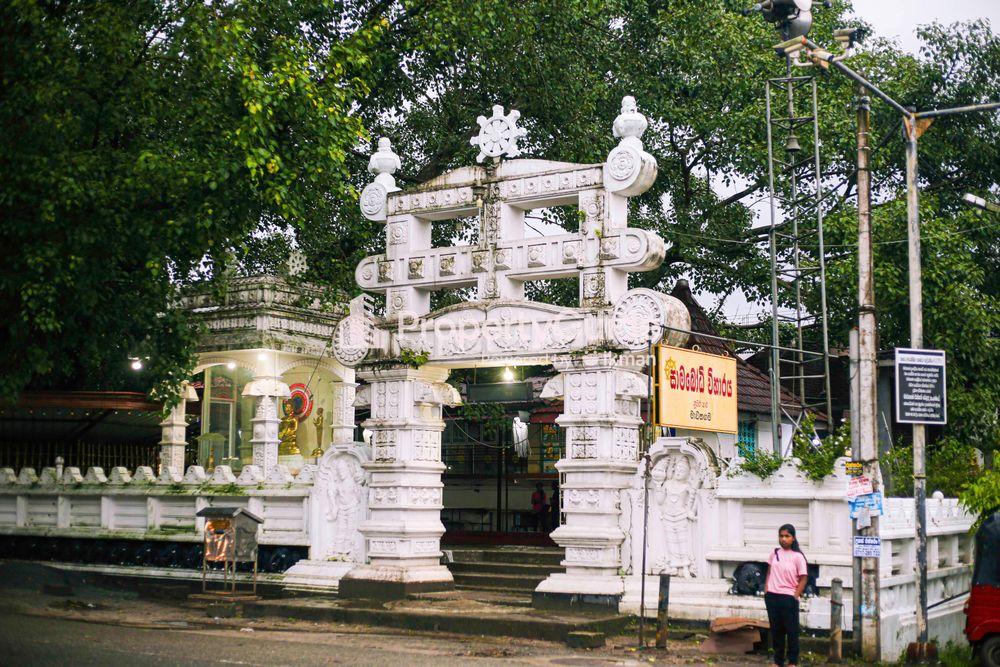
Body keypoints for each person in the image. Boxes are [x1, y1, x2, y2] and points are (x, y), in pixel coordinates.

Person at [764, 524, 809, 667]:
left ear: (793, 538)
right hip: (772, 596)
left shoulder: (798, 557)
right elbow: (769, 572)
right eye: (781, 536)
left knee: (791, 631)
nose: (783, 539)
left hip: (788, 597)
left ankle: (792, 662)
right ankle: (778, 661)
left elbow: (803, 578)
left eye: (787, 536)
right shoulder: (775, 553)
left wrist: (795, 595)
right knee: (776, 631)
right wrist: (767, 590)